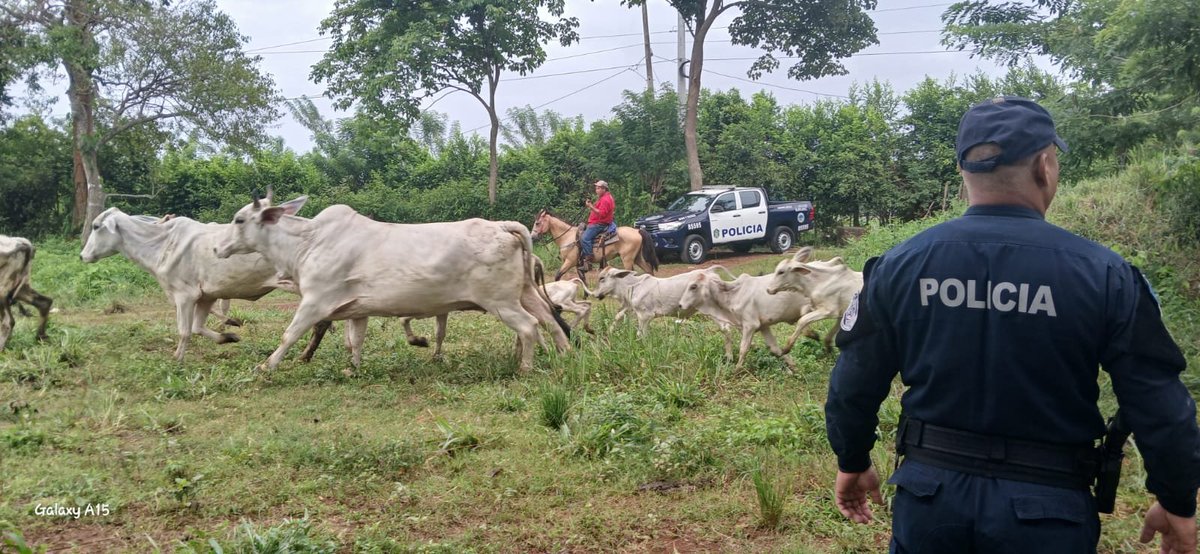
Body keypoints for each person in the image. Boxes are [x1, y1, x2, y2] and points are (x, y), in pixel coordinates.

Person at [825, 96, 1200, 553]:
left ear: (964, 172)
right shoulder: (1105, 275)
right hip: (1048, 511)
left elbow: (852, 384)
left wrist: (853, 458)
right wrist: (1176, 499)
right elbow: (1159, 403)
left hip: (929, 501)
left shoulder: (899, 265)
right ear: (1044, 166)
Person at [579, 179, 615, 271]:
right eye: (596, 188)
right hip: (597, 222)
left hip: (600, 224)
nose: (596, 190)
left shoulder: (605, 200)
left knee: (584, 238)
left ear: (604, 189)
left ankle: (589, 260)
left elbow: (602, 213)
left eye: (598, 188)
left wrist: (590, 207)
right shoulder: (604, 197)